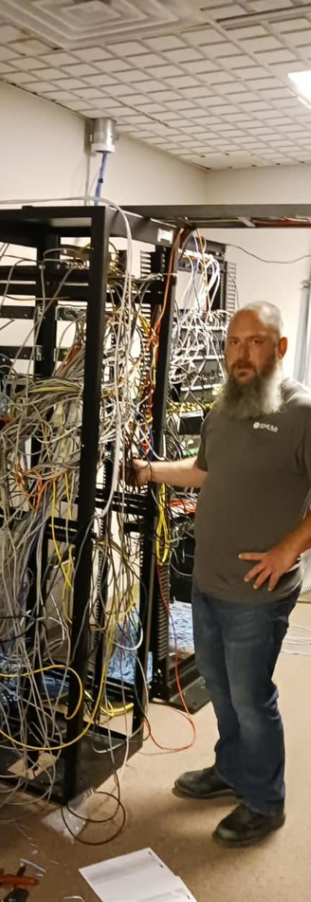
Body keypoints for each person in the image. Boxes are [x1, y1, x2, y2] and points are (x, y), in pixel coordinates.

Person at [129, 301, 311, 848]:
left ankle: (266, 801)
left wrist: (287, 550)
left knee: (251, 699)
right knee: (222, 690)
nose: (241, 353)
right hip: (207, 585)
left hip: (258, 593)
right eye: (234, 342)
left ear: (280, 347)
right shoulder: (225, 406)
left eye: (255, 341)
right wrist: (150, 471)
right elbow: (203, 471)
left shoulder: (302, 412)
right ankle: (231, 769)